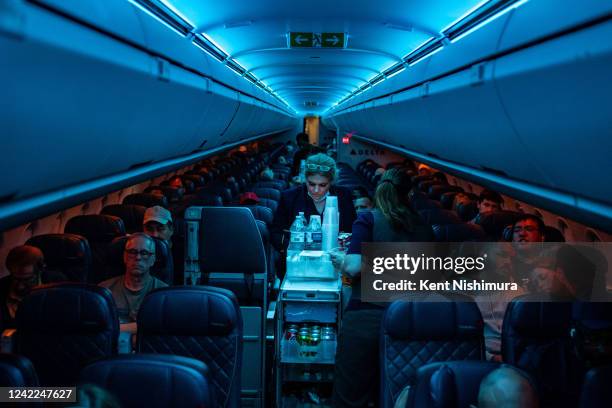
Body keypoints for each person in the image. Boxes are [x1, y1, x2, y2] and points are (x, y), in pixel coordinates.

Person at [332, 168, 434, 408]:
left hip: (367, 316)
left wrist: (342, 260)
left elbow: (355, 267)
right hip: (411, 320)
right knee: (394, 394)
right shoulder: (425, 227)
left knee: (351, 397)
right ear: (409, 194)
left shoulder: (369, 219)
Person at [271, 153, 356, 251]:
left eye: (322, 185)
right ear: (305, 179)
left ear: (331, 181)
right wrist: (295, 249)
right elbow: (276, 233)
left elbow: (353, 231)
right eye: (311, 184)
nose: (316, 190)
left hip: (335, 256)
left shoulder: (344, 196)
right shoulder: (289, 197)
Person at [99, 233, 167, 324]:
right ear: (125, 257)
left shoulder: (163, 293)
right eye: (132, 252)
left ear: (153, 259)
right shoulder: (104, 290)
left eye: (144, 253)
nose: (138, 257)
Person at [0, 245, 45, 329]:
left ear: (40, 270)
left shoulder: (58, 285)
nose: (20, 287)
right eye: (15, 278)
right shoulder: (2, 288)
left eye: (27, 280)